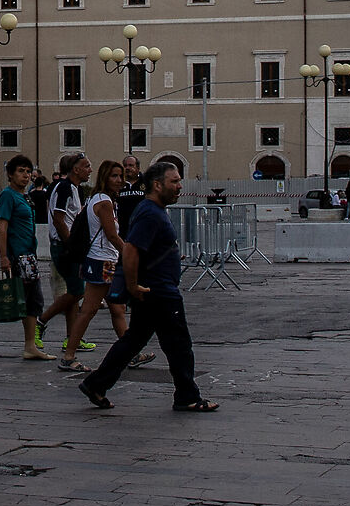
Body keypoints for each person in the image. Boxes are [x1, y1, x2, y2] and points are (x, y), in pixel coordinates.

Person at [78, 161, 216, 413]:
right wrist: (132, 285)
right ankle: (186, 395)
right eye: (174, 182)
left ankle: (96, 384)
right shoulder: (150, 212)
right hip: (158, 291)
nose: (179, 186)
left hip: (154, 289)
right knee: (179, 345)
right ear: (157, 184)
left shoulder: (153, 210)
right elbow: (130, 249)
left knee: (134, 340)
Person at [0, 154, 51, 362]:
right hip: (17, 255)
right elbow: (2, 228)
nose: (26, 175)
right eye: (21, 171)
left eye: (28, 171)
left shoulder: (25, 196)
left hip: (29, 256)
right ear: (11, 174)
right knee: (12, 301)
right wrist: (4, 256)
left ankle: (30, 345)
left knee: (33, 301)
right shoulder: (8, 196)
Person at [59, 159, 135, 376]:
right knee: (90, 309)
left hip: (103, 260)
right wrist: (128, 253)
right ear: (104, 178)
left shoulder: (100, 199)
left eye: (121, 176)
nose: (119, 180)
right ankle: (69, 355)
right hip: (101, 261)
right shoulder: (104, 203)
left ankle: (131, 352)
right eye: (114, 176)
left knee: (116, 308)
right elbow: (112, 235)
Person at [35, 153, 90, 349]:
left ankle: (72, 338)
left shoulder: (76, 189)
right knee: (77, 291)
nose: (90, 170)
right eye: (86, 166)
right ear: (75, 169)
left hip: (68, 245)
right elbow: (59, 219)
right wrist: (71, 244)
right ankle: (40, 322)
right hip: (63, 246)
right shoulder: (65, 188)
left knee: (74, 291)